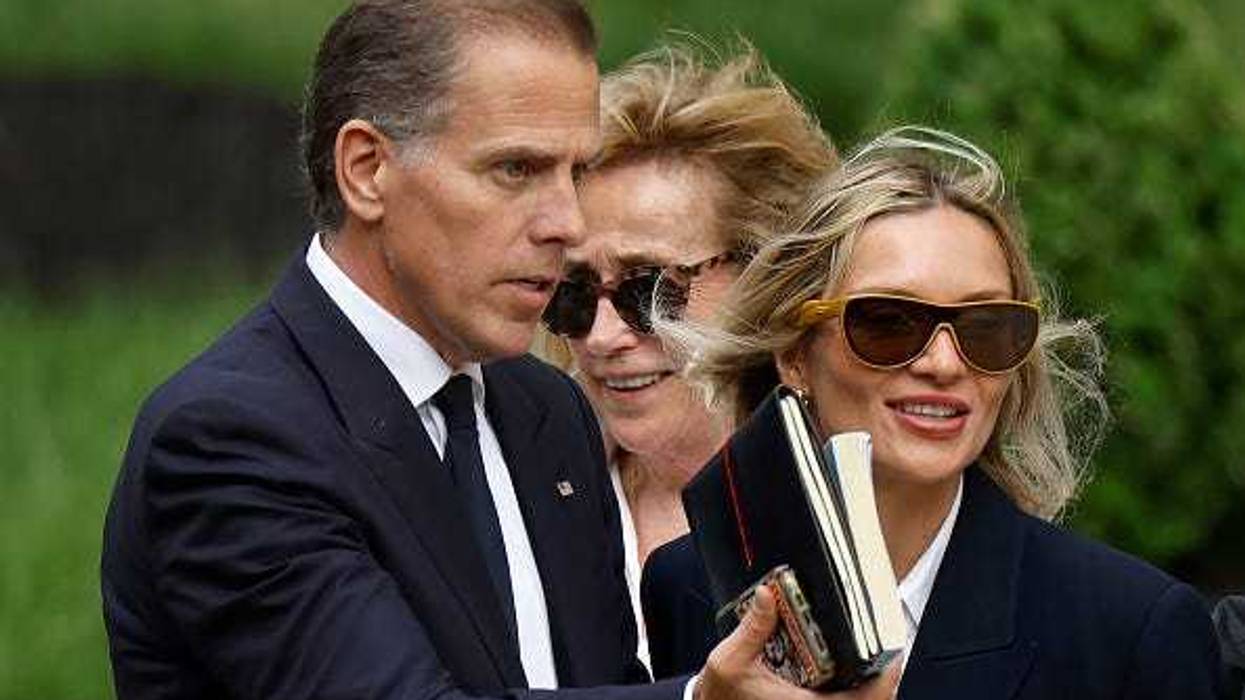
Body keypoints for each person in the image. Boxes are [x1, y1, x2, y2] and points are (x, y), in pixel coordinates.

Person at [100, 2, 899, 699]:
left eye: (573, 171)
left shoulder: (541, 411)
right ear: (367, 169)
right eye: (516, 169)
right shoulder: (230, 436)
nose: (566, 222)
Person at [643, 126, 1226, 697]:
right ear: (795, 355)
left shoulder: (1130, 630)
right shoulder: (690, 586)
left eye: (987, 327)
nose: (945, 363)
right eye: (889, 322)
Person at [537, 43, 835, 673]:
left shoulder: (863, 502)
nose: (601, 337)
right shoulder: (519, 495)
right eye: (575, 293)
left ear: (765, 272)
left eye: (649, 288)